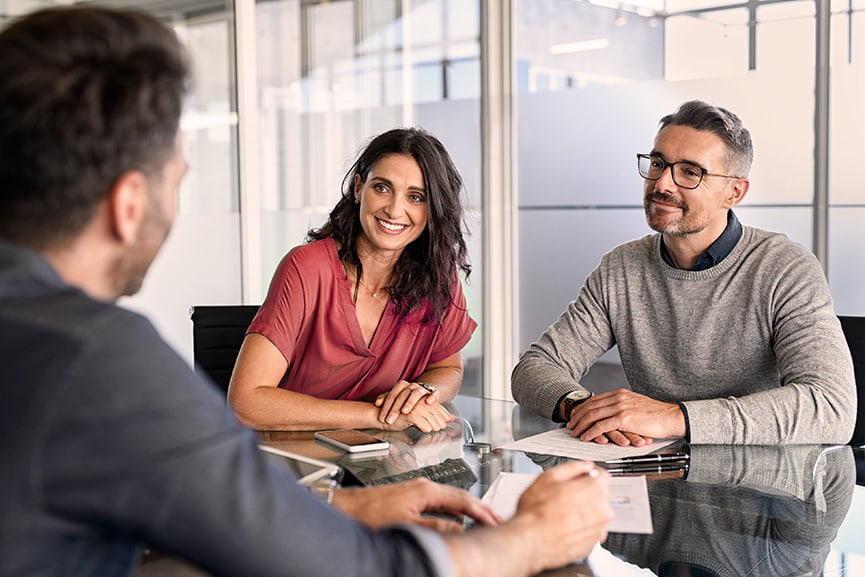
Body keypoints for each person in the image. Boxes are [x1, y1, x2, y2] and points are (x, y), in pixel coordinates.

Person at [0, 6, 612, 577]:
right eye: (178, 178)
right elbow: (347, 565)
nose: (396, 208)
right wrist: (528, 537)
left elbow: (176, 518)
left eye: (417, 197)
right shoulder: (99, 359)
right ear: (129, 204)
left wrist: (339, 510)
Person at [512, 100, 856, 447]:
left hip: (761, 486)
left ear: (733, 192)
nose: (662, 184)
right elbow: (534, 368)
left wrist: (672, 417)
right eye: (658, 163)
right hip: (651, 476)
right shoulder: (620, 268)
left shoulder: (784, 268)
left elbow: (830, 407)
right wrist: (583, 407)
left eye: (690, 172)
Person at [229, 127, 477, 433]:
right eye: (382, 188)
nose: (395, 209)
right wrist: (377, 417)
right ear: (359, 188)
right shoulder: (306, 268)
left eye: (416, 197)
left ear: (433, 208)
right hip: (292, 462)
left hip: (384, 465)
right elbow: (246, 403)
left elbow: (447, 368)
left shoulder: (438, 277)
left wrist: (423, 392)